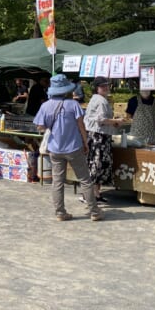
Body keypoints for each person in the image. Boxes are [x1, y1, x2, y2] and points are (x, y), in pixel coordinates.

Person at [34, 74, 104, 222]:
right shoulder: (73, 105)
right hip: (74, 147)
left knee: (57, 181)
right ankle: (94, 211)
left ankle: (60, 212)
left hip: (55, 149)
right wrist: (86, 143)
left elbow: (40, 126)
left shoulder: (45, 106)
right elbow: (81, 126)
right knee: (85, 179)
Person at [83, 76, 122, 204]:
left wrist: (113, 123)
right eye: (102, 86)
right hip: (98, 137)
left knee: (99, 165)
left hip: (98, 135)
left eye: (106, 85)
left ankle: (96, 194)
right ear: (96, 88)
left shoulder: (98, 99)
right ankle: (88, 195)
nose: (106, 88)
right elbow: (101, 120)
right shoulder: (100, 100)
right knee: (96, 165)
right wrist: (116, 121)